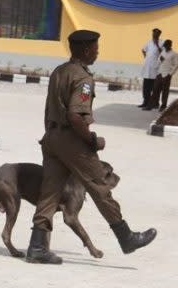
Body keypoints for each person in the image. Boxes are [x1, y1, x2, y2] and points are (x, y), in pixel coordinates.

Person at [25, 29, 158, 264]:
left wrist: (52, 135)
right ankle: (126, 237)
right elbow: (76, 115)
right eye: (96, 48)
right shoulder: (82, 78)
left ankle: (37, 246)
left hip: (52, 137)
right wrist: (92, 140)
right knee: (99, 188)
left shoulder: (59, 71)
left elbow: (49, 108)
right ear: (86, 50)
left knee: (50, 191)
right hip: (72, 140)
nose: (98, 52)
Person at [145, 39, 178, 112]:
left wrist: (170, 74)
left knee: (165, 91)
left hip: (167, 75)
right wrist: (160, 60)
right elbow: (158, 62)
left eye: (167, 46)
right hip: (159, 74)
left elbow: (176, 65)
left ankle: (163, 106)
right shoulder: (162, 52)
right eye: (164, 46)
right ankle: (151, 105)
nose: (165, 47)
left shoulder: (174, 54)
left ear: (170, 45)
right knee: (155, 90)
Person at [140, 28, 162, 108]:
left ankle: (155, 103)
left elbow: (162, 53)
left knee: (155, 88)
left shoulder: (161, 43)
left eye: (155, 34)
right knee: (146, 87)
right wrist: (146, 57)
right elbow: (143, 50)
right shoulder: (149, 42)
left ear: (159, 34)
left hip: (155, 69)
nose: (154, 35)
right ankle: (145, 102)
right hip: (147, 68)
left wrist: (157, 44)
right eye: (153, 34)